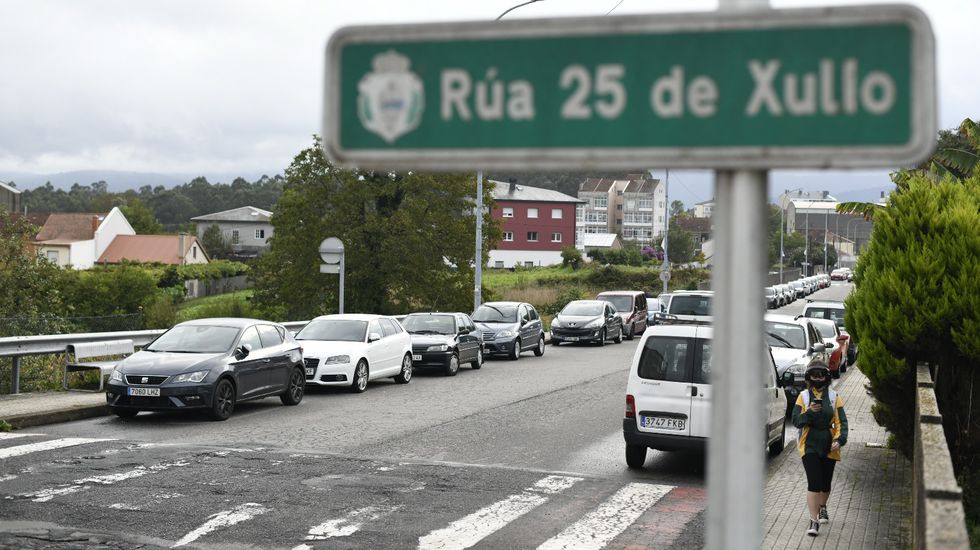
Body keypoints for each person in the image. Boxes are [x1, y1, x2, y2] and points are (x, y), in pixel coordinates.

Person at [792, 363, 848, 537]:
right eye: (813, 375)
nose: (817, 378)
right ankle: (813, 520)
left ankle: (823, 507)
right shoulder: (802, 397)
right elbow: (796, 421)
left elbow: (841, 422)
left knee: (825, 483)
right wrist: (809, 412)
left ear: (826, 376)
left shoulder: (834, 397)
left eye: (821, 374)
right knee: (814, 483)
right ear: (809, 377)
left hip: (829, 444)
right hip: (808, 444)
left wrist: (839, 440)